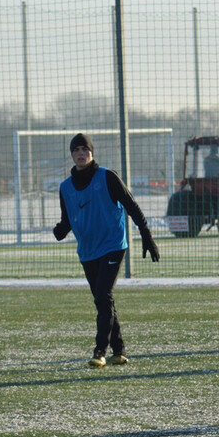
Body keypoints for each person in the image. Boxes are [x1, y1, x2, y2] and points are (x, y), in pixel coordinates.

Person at [53, 133, 159, 369]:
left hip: (112, 245)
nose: (81, 154)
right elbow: (68, 218)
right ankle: (119, 351)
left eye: (85, 149)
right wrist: (60, 230)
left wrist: (147, 236)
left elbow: (132, 205)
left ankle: (100, 350)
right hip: (88, 251)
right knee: (103, 301)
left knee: (103, 295)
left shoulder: (108, 177)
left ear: (92, 152)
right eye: (76, 150)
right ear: (71, 154)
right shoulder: (65, 187)